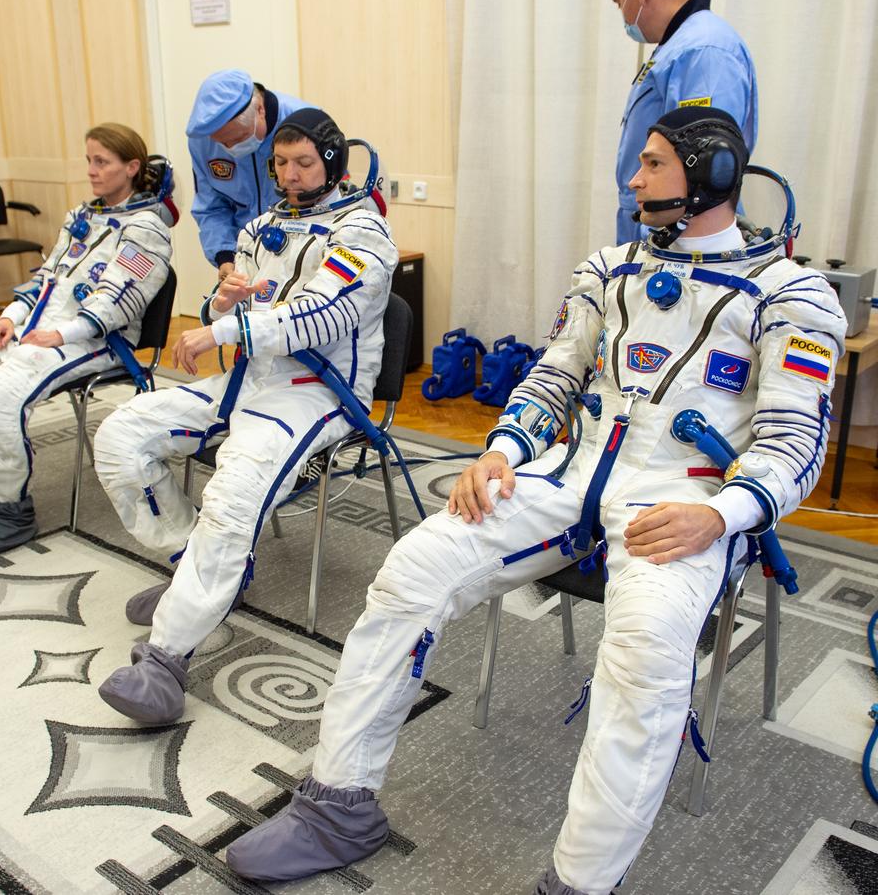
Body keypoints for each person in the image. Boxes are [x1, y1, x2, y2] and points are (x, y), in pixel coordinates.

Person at [224, 108, 847, 894]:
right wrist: (502, 449)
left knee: (646, 651)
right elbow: (553, 376)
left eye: (653, 164)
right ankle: (336, 805)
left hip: (684, 504)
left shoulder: (793, 296)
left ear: (711, 176)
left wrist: (722, 514)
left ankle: (580, 882)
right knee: (415, 566)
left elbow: (795, 442)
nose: (633, 179)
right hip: (570, 472)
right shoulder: (607, 271)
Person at [94, 108, 397, 724]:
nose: (290, 175)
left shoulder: (363, 232)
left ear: (332, 162)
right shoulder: (261, 227)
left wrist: (223, 328)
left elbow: (323, 315)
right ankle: (196, 568)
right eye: (280, 163)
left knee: (232, 493)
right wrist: (222, 300)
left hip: (318, 391)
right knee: (122, 434)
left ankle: (164, 661)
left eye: (303, 163)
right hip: (250, 380)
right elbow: (232, 304)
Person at [0, 123, 176, 559]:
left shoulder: (147, 229)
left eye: (101, 162)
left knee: (1, 397)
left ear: (131, 168)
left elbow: (117, 305)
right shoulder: (82, 217)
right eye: (88, 160)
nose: (91, 170)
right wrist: (9, 318)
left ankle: (9, 510)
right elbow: (47, 278)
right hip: (36, 330)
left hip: (95, 342)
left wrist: (59, 334)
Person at [602, 0, 757, 244]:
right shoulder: (678, 46)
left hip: (679, 230)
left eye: (620, 3)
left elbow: (704, 163)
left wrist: (662, 239)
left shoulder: (703, 50)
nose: (624, 15)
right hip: (658, 218)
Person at [186, 69, 311, 279]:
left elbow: (331, 200)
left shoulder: (305, 123)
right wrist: (224, 255)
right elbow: (211, 206)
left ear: (260, 110)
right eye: (222, 142)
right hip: (243, 258)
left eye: (238, 137)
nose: (231, 147)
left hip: (302, 254)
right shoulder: (202, 139)